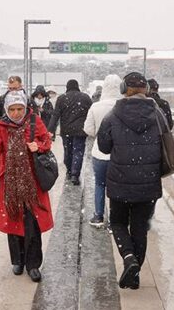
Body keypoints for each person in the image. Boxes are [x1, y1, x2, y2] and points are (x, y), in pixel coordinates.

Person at [97, 72, 163, 290]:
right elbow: (167, 137)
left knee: (117, 222)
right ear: (146, 90)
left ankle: (128, 258)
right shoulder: (157, 113)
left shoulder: (113, 114)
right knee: (139, 227)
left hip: (120, 181)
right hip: (149, 181)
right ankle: (135, 273)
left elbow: (104, 147)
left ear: (124, 88)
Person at [0, 91, 53, 282]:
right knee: (13, 219)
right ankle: (18, 260)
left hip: (33, 181)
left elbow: (46, 140)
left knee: (33, 222)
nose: (16, 113)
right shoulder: (0, 127)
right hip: (10, 182)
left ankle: (33, 264)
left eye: (20, 109)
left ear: (25, 108)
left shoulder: (34, 122)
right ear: (6, 109)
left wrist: (38, 146)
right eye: (12, 109)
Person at [83, 74, 122, 228]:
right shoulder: (122, 105)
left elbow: (88, 129)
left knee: (100, 184)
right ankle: (114, 220)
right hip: (119, 154)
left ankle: (99, 216)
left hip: (99, 152)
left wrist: (100, 133)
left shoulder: (96, 106)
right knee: (116, 187)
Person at [47, 79, 92, 186]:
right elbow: (91, 113)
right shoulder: (85, 98)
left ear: (67, 87)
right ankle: (75, 175)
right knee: (78, 151)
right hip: (81, 130)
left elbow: (55, 115)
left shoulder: (62, 98)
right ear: (77, 86)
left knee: (68, 150)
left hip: (66, 130)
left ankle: (69, 170)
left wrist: (49, 130)